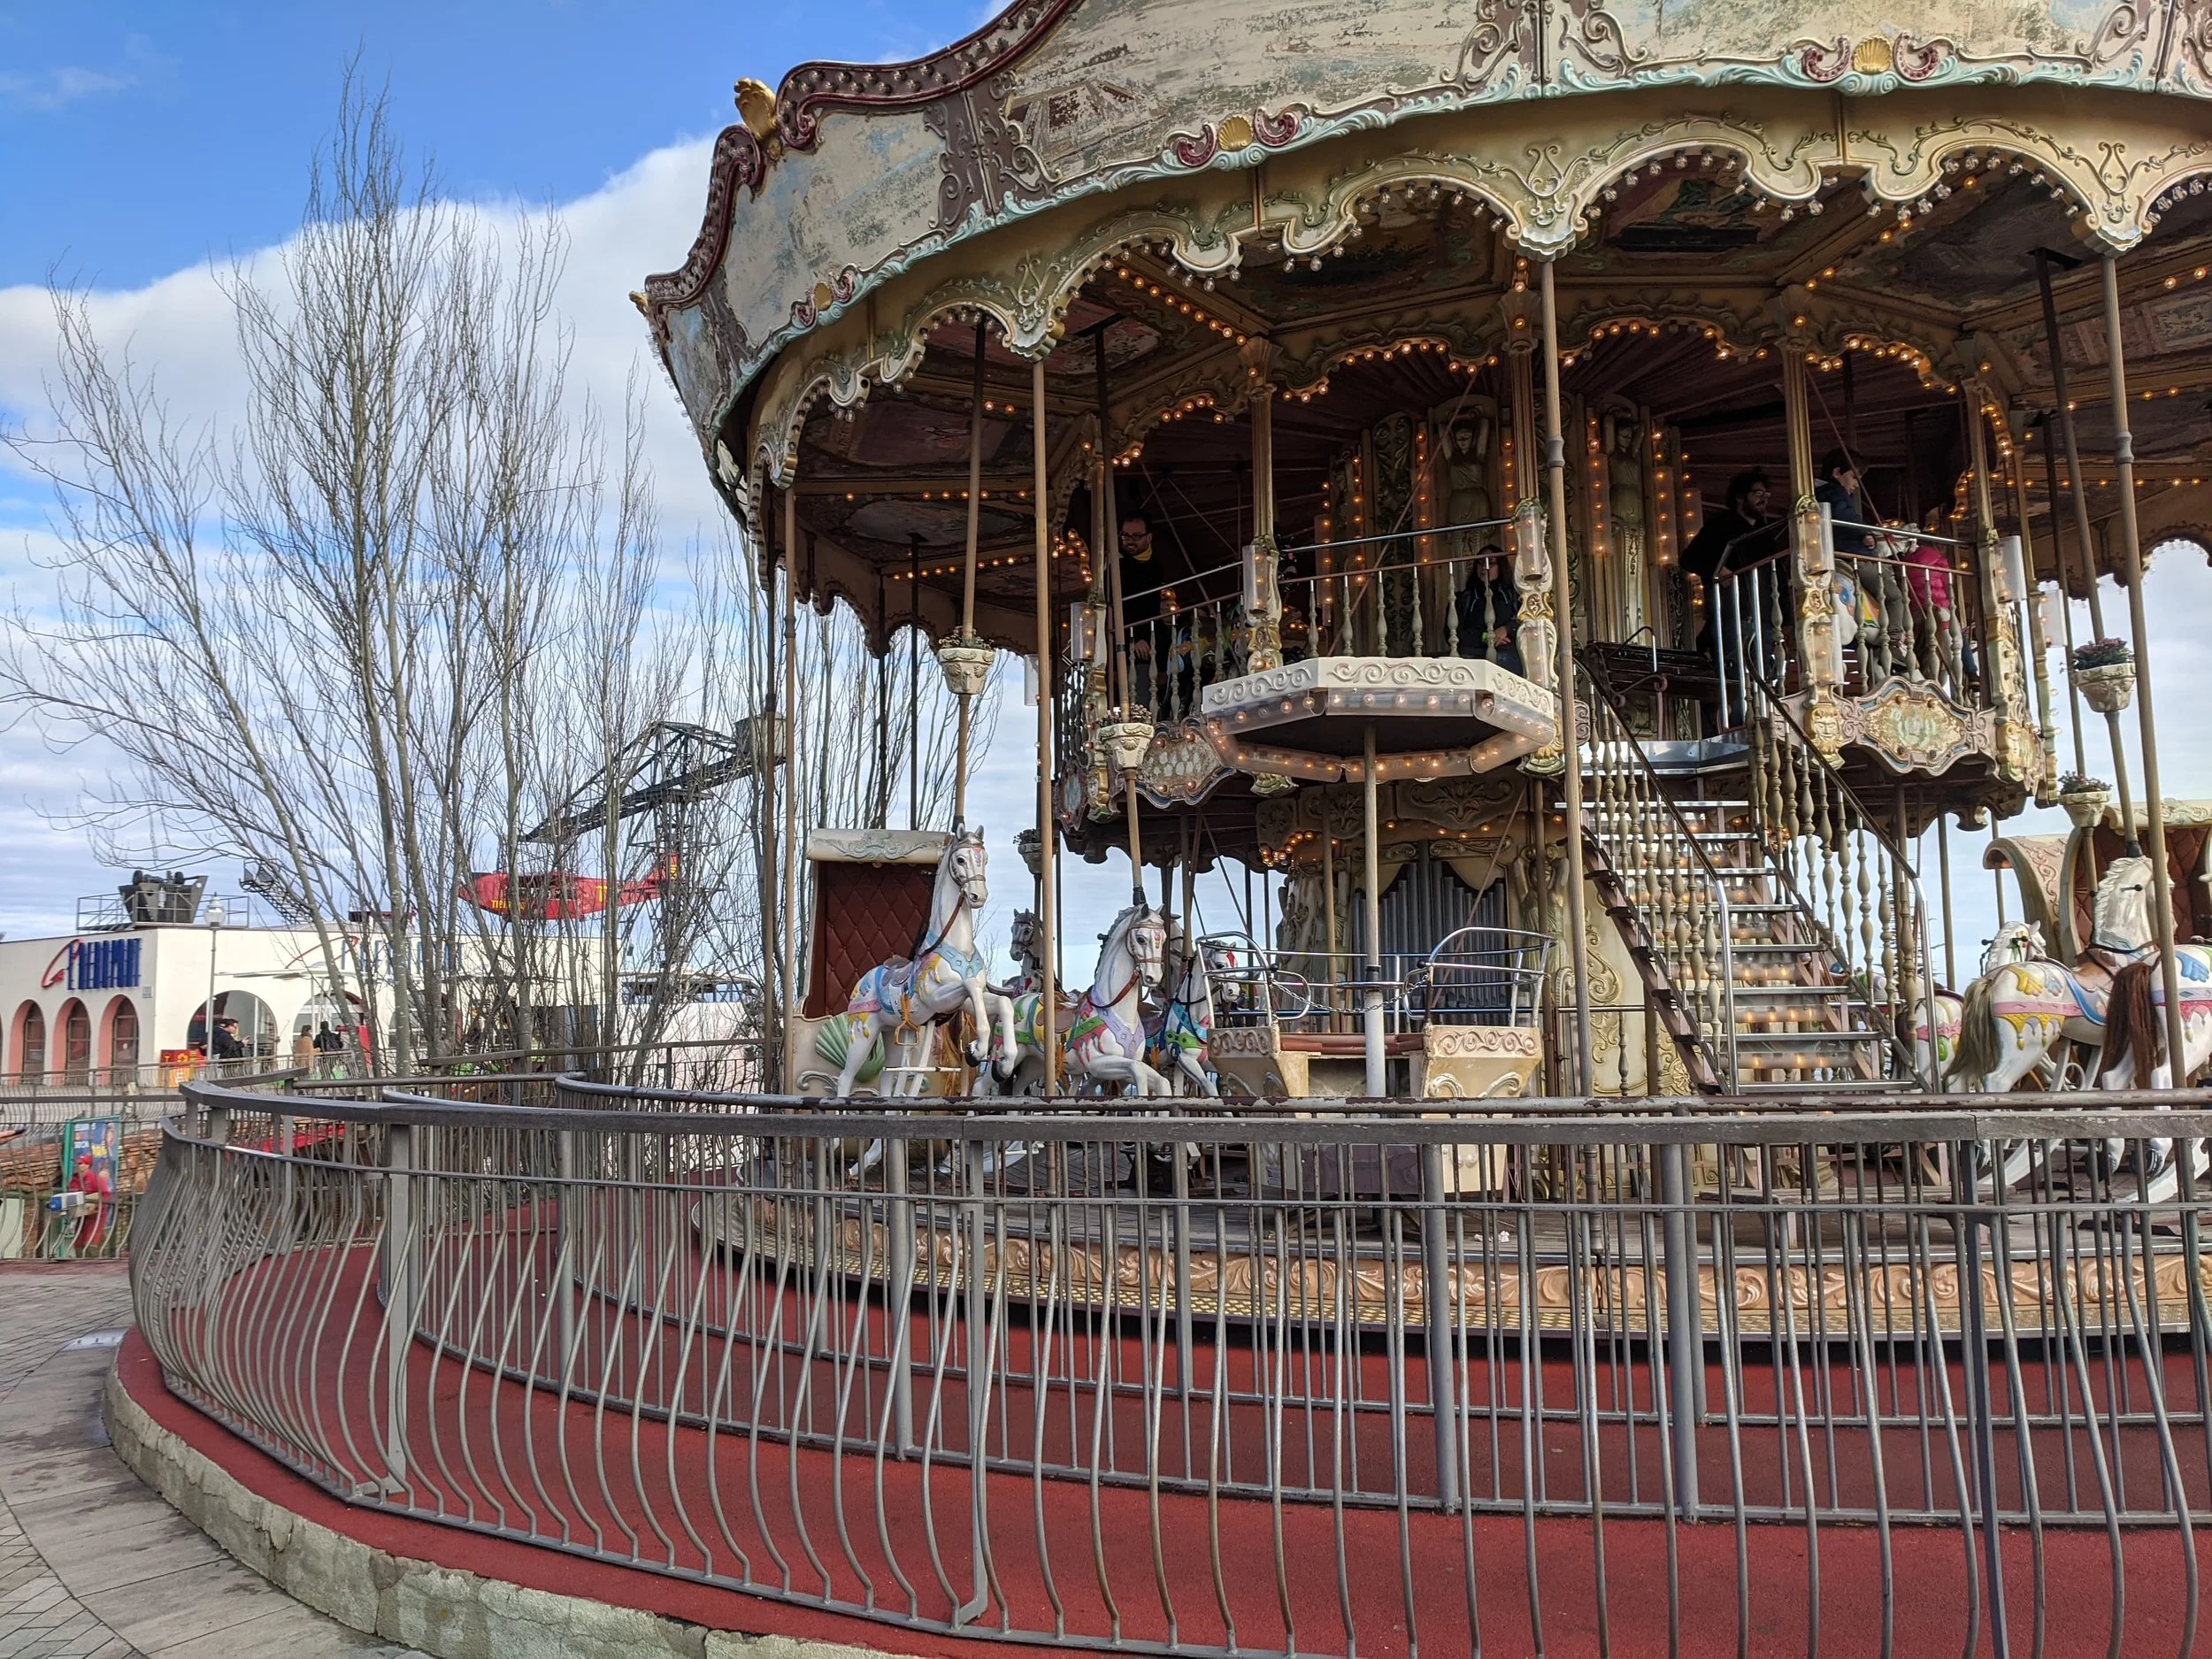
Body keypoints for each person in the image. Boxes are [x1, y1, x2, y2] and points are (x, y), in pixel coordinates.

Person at [1455, 544, 1523, 675]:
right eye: (1480, 563)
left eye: (1490, 563)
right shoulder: (1465, 598)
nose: (1484, 567)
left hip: (1505, 652)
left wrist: (1507, 629)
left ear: (1500, 567)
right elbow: (1454, 633)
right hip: (1473, 653)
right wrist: (1486, 636)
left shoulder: (1512, 595)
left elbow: (1525, 619)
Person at [1816, 449, 1875, 554]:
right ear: (1837, 473)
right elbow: (1844, 514)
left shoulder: (1820, 491)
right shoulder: (1835, 491)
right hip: (1846, 551)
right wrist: (1865, 531)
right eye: (1854, 478)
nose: (1857, 485)